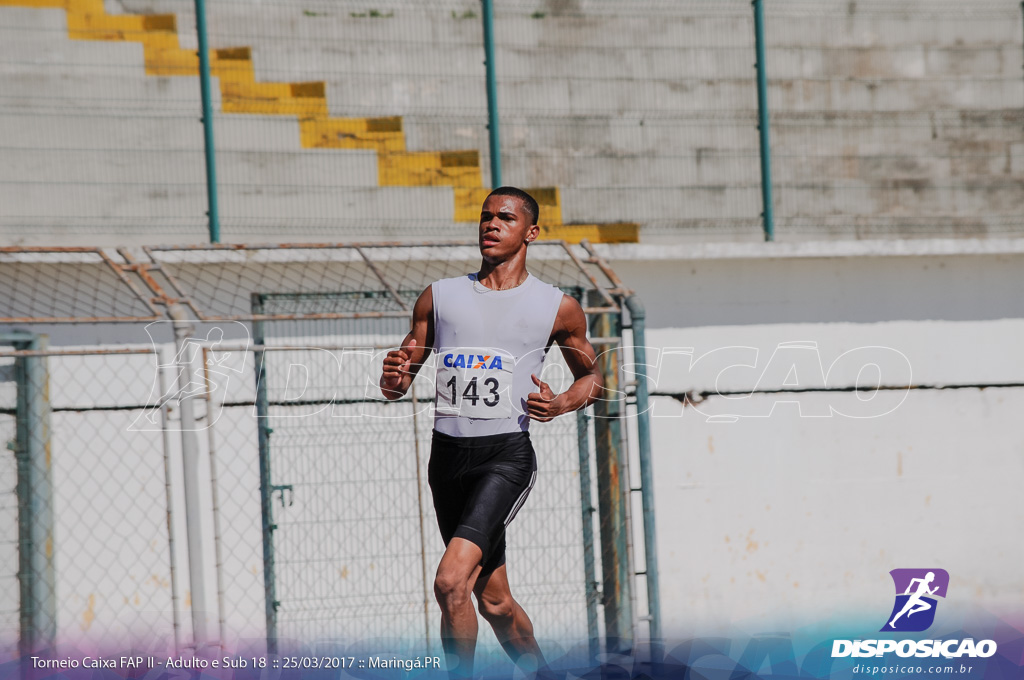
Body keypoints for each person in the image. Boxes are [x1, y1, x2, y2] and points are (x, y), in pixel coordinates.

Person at [379, 186, 604, 678]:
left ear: (531, 232)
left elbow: (594, 378)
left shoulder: (557, 307)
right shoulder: (439, 297)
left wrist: (563, 401)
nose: (491, 224)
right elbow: (397, 382)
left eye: (504, 217)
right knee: (494, 602)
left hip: (504, 457)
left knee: (449, 581)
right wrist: (393, 375)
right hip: (447, 460)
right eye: (485, 216)